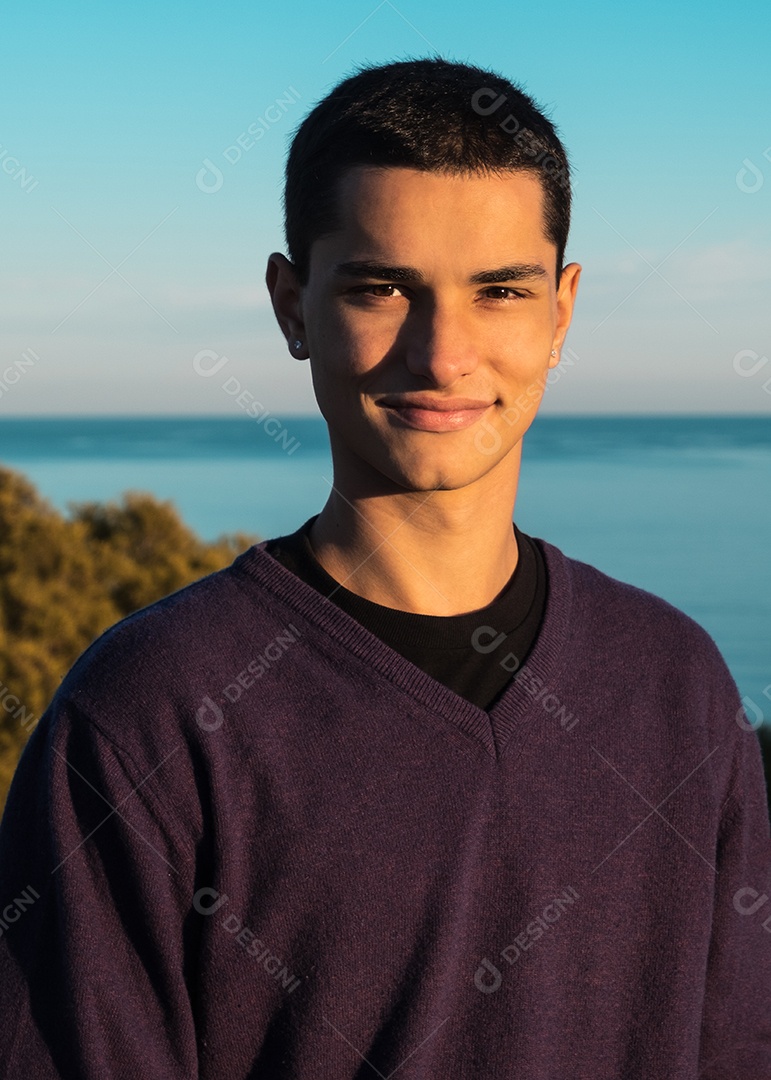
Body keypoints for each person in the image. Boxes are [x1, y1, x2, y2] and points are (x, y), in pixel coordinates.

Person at [0, 57, 769, 1079]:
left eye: (500, 291)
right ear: (292, 306)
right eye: (382, 288)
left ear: (561, 312)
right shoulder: (149, 713)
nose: (442, 355)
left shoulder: (676, 683)